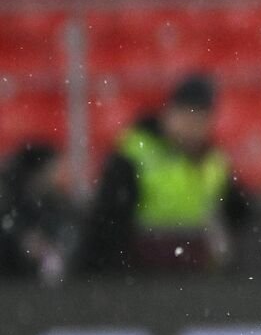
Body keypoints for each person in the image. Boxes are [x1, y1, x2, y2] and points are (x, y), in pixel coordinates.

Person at [80, 73, 251, 273]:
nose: (192, 129)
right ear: (169, 114)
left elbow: (239, 212)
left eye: (200, 120)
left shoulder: (215, 161)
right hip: (142, 270)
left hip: (192, 271)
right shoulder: (135, 153)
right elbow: (108, 222)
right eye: (187, 117)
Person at [0, 142, 82, 283]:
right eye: (54, 170)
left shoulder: (59, 207)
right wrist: (25, 243)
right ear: (38, 173)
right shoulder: (13, 209)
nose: (59, 176)